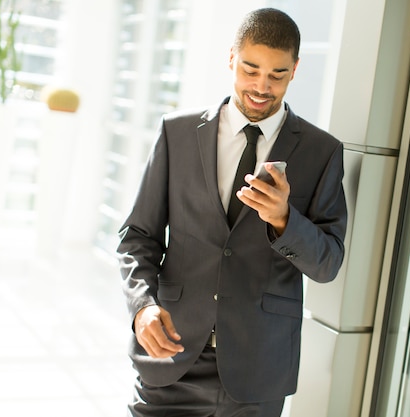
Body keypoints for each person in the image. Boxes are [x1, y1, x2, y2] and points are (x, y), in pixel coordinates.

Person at [117, 8, 347, 417]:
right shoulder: (178, 134)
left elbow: (328, 262)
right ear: (231, 59)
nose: (262, 86)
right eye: (250, 69)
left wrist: (284, 221)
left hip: (257, 375)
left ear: (295, 70)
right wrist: (143, 307)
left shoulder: (321, 152)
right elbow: (137, 235)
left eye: (277, 74)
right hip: (171, 362)